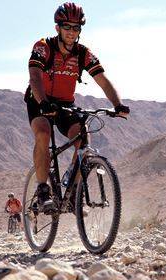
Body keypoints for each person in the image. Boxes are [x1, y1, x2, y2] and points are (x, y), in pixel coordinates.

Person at [25, 2, 130, 212]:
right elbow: (35, 76)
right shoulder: (43, 46)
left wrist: (117, 104)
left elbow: (102, 80)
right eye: (67, 27)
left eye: (76, 28)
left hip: (65, 104)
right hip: (40, 100)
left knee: (82, 140)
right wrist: (44, 102)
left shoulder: (83, 53)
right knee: (43, 133)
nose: (72, 32)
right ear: (57, 28)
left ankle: (73, 193)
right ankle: (43, 189)